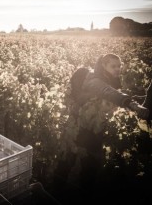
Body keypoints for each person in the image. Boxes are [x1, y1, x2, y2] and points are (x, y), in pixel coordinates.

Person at [54, 53, 150, 202]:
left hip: (94, 133)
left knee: (90, 169)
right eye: (113, 66)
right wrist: (131, 103)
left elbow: (114, 96)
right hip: (77, 129)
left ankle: (82, 196)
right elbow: (108, 92)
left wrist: (134, 100)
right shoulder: (94, 80)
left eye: (119, 66)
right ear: (103, 65)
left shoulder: (112, 80)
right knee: (65, 164)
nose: (118, 69)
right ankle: (52, 194)